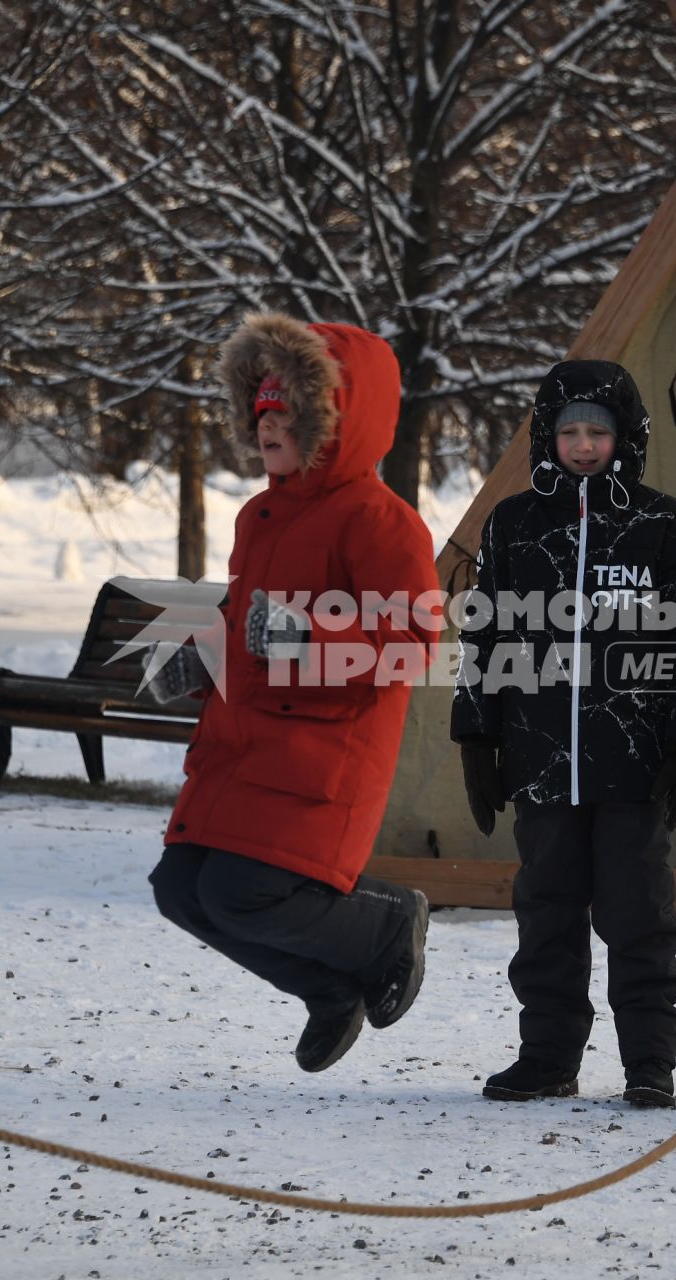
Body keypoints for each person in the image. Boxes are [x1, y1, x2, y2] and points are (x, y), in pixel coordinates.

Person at [147, 312, 439, 1074]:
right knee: (181, 890)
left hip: (322, 753)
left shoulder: (384, 522)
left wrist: (302, 640)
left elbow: (410, 642)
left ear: (334, 423)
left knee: (245, 890)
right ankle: (328, 991)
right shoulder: (261, 515)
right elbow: (245, 621)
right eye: (262, 411)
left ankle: (384, 925)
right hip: (245, 749)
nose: (267, 425)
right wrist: (200, 657)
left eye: (288, 413)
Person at [452, 360, 676, 1109]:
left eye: (596, 432)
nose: (581, 445)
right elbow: (483, 634)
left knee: (639, 914)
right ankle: (547, 1056)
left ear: (623, 438)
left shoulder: (663, 523)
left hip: (631, 765)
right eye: (567, 431)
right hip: (542, 763)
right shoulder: (512, 523)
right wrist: (477, 737)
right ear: (546, 436)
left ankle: (648, 1063)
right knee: (547, 914)